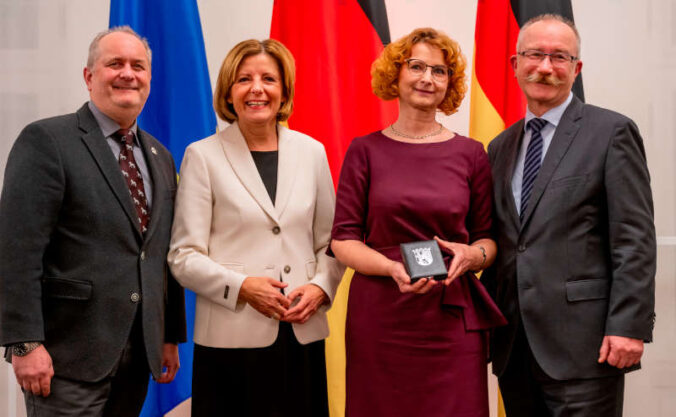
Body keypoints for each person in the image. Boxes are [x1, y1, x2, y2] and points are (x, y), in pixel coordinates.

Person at [0, 26, 186, 416]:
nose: (128, 74)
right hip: (65, 357)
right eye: (114, 63)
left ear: (149, 79)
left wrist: (169, 335)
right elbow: (16, 250)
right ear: (89, 76)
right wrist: (24, 343)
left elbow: (161, 252)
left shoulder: (161, 157)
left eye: (138, 66)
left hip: (138, 356)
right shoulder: (47, 140)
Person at [483, 14, 656, 417]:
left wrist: (628, 325)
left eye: (560, 57)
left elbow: (634, 239)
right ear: (515, 64)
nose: (545, 67)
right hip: (515, 346)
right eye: (535, 55)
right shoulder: (499, 147)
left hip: (586, 347)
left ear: (576, 69)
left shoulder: (611, 132)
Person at [329, 28, 506, 417]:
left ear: (449, 84)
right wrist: (392, 267)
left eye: (439, 71)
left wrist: (473, 256)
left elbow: (488, 239)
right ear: (396, 74)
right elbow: (343, 240)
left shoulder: (472, 153)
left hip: (451, 317)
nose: (427, 78)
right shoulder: (364, 150)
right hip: (382, 316)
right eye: (417, 66)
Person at [167, 38, 344, 417]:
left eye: (269, 79)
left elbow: (331, 242)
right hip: (231, 340)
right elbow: (183, 257)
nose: (257, 89)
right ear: (229, 93)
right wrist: (243, 288)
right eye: (244, 79)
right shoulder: (203, 155)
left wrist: (320, 287)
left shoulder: (312, 152)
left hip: (301, 333)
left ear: (284, 91)